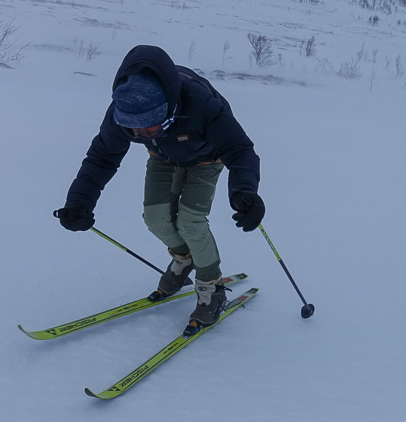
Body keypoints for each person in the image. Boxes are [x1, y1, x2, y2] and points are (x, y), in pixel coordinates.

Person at [56, 45, 265, 336]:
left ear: (168, 109)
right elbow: (102, 157)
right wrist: (79, 201)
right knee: (155, 218)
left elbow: (239, 149)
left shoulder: (200, 103)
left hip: (207, 157)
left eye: (150, 128)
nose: (141, 135)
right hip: (164, 157)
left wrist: (245, 192)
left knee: (190, 221)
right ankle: (184, 258)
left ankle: (211, 287)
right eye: (133, 131)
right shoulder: (122, 111)